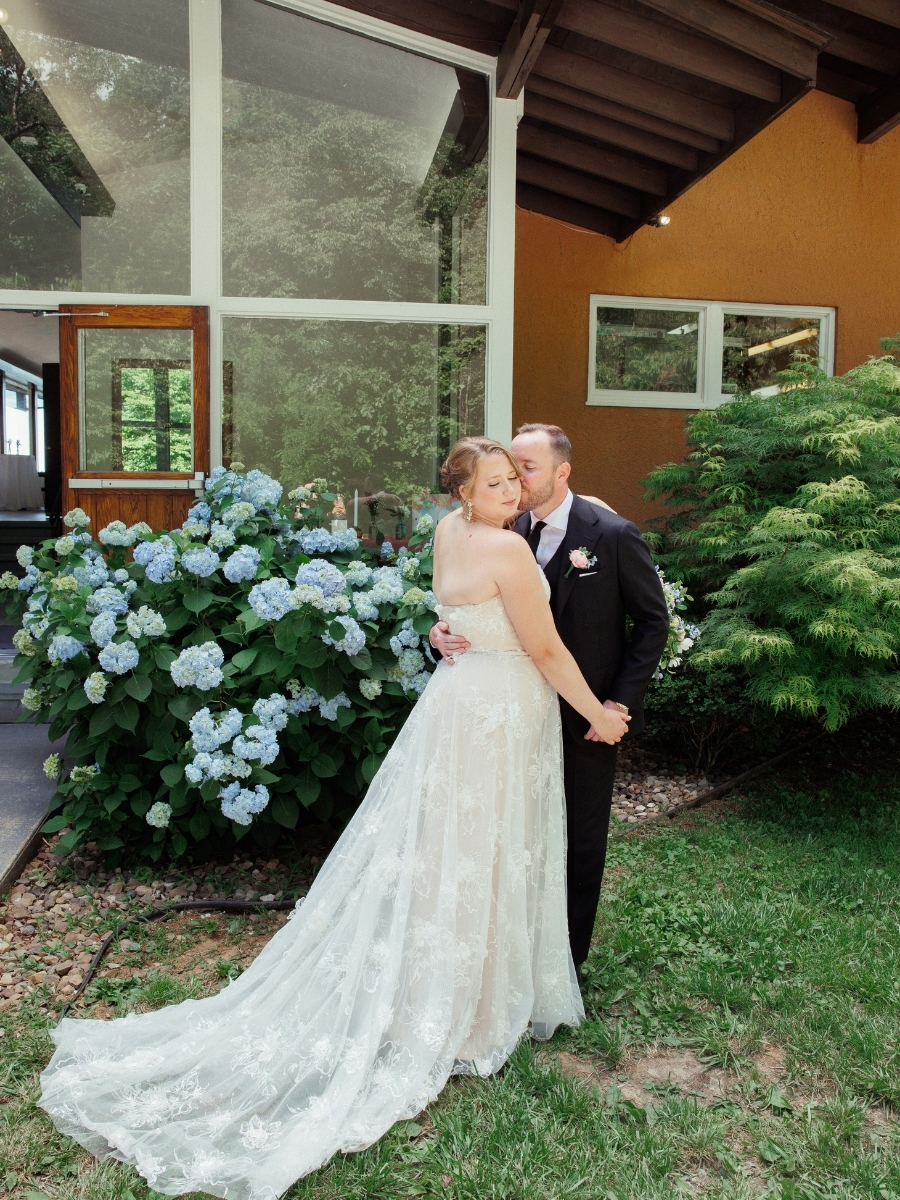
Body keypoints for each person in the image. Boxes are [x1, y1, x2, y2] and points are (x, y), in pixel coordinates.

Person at [39, 437, 628, 1200]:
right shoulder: (508, 553)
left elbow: (452, 612)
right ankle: (477, 1014)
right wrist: (598, 717)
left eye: (514, 478)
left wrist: (440, 634)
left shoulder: (450, 535)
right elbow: (545, 650)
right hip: (504, 710)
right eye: (494, 482)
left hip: (456, 707)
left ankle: (458, 991)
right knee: (483, 848)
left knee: (452, 848)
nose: (511, 491)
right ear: (463, 494)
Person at [431, 423, 669, 971]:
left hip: (587, 711)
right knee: (511, 836)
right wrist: (440, 630)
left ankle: (567, 961)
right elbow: (473, 602)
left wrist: (617, 706)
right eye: (507, 471)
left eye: (525, 470)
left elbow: (652, 624)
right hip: (512, 709)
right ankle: (514, 955)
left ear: (563, 472)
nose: (514, 481)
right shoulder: (500, 525)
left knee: (579, 839)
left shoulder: (610, 533)